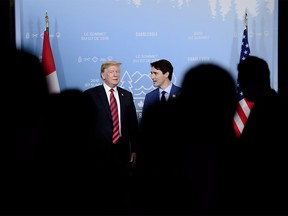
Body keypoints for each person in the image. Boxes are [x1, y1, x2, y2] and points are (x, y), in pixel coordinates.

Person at [234, 55, 288, 214]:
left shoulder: (269, 109)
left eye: (242, 81)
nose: (241, 87)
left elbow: (253, 153)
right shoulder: (271, 103)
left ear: (252, 81)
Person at [83, 61, 139, 177]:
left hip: (122, 150)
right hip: (99, 151)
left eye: (117, 72)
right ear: (103, 76)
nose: (115, 75)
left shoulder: (127, 95)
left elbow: (132, 125)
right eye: (111, 72)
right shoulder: (90, 95)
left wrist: (134, 149)